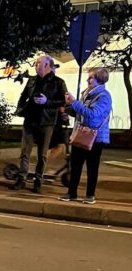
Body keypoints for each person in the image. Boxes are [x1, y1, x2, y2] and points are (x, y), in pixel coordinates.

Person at [11, 55, 67, 193]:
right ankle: (21, 179)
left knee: (42, 154)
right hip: (30, 120)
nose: (35, 65)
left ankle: (38, 181)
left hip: (46, 122)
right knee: (25, 152)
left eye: (38, 63)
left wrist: (47, 102)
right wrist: (21, 109)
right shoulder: (32, 80)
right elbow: (23, 96)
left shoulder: (58, 82)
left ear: (47, 65)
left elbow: (63, 101)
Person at [59, 68, 113, 204]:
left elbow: (93, 115)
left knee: (92, 167)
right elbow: (81, 113)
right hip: (80, 134)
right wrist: (69, 110)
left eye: (91, 78)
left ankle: (90, 195)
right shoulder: (86, 93)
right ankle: (71, 193)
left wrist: (74, 102)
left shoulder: (104, 96)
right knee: (75, 165)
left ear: (99, 80)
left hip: (95, 137)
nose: (87, 80)